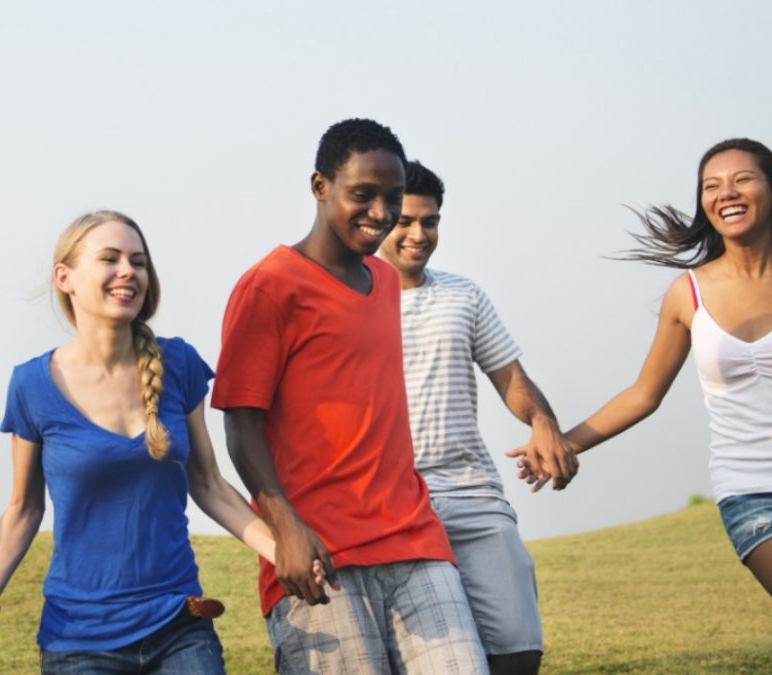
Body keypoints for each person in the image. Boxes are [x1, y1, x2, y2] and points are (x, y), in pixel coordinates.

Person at [212, 119, 489, 674]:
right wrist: (285, 530)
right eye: (363, 195)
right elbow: (242, 425)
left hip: (414, 537)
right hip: (318, 551)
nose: (381, 213)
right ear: (320, 187)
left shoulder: (384, 280)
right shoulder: (270, 286)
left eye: (391, 197)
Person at [0, 210, 278, 674]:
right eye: (110, 258)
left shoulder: (178, 364)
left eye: (138, 261)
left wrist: (284, 554)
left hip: (179, 626)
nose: (128, 272)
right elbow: (23, 509)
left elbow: (210, 485)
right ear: (66, 278)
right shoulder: (31, 385)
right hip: (78, 639)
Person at [377, 160, 578, 675]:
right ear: (379, 219)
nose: (419, 234)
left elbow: (511, 379)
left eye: (431, 221)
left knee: (519, 646)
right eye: (406, 221)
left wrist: (543, 423)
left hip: (473, 494)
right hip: (394, 504)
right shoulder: (348, 299)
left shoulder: (463, 295)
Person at [552, 138, 772, 598]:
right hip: (751, 492)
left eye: (743, 179)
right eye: (711, 186)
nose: (726, 192)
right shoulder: (687, 293)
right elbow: (643, 395)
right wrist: (564, 443)